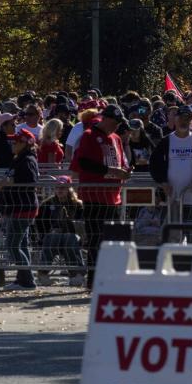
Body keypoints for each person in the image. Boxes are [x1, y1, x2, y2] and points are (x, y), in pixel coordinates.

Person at [70, 104, 130, 289]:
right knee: (96, 239)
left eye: (118, 123)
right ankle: (93, 279)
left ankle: (109, 276)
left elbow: (123, 161)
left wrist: (125, 171)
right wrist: (110, 171)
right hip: (94, 195)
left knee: (111, 240)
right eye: (114, 122)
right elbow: (83, 163)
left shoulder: (116, 138)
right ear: (105, 119)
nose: (116, 126)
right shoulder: (88, 136)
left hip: (114, 196)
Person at [149, 104, 192, 223]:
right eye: (181, 118)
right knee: (168, 237)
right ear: (175, 119)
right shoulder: (166, 141)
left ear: (191, 121)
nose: (184, 122)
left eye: (187, 118)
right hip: (169, 199)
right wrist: (162, 182)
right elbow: (154, 165)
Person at [0, 128, 39, 290]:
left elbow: (30, 181)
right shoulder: (19, 158)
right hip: (18, 207)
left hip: (23, 207)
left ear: (24, 143)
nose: (12, 143)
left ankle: (27, 280)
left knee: (13, 245)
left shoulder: (27, 159)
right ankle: (23, 279)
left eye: (16, 141)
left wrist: (6, 182)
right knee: (21, 244)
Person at [34, 175, 85, 287]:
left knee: (69, 238)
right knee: (52, 237)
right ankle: (43, 273)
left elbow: (81, 226)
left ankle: (76, 274)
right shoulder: (46, 204)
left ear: (69, 189)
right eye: (57, 187)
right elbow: (40, 224)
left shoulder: (78, 205)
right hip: (52, 237)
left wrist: (69, 224)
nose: (59, 190)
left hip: (72, 236)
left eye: (63, 187)